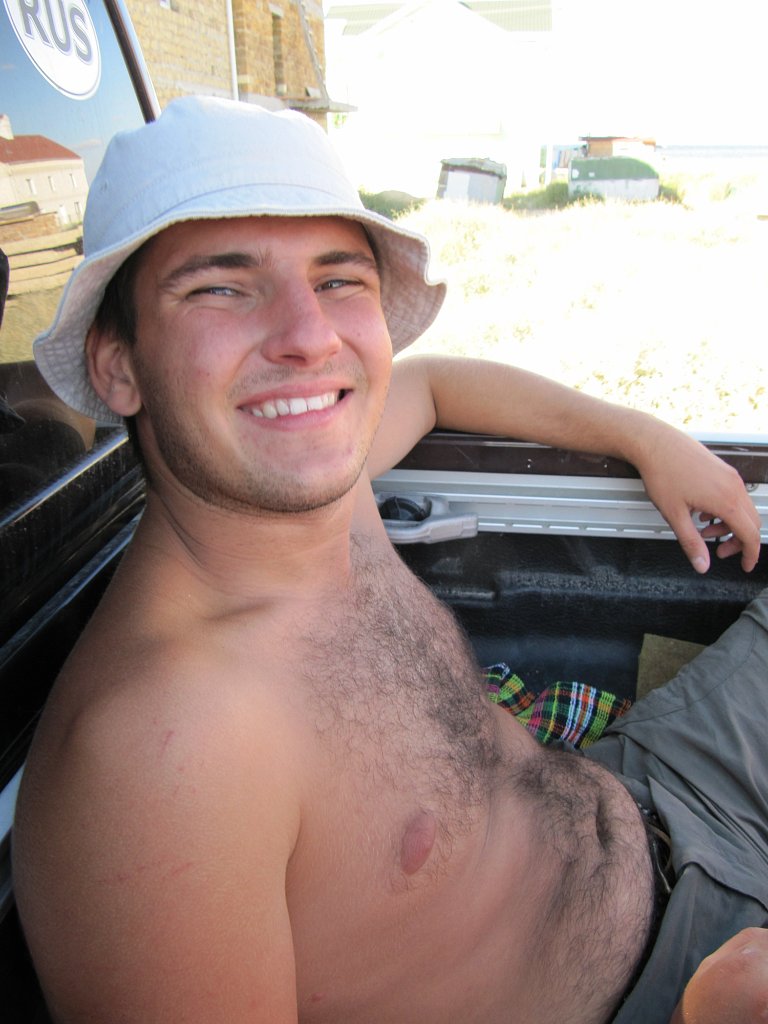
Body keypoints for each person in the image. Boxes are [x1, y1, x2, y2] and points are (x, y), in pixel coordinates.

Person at [11, 96, 765, 1024]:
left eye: (337, 280)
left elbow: (431, 383)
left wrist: (646, 436)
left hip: (653, 789)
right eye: (220, 288)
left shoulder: (317, 483)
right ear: (118, 365)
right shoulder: (161, 763)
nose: (310, 337)